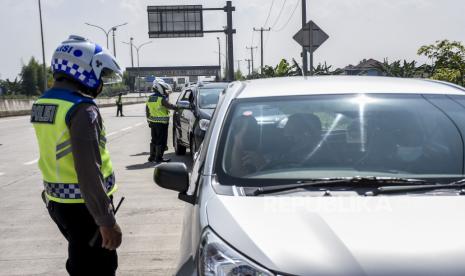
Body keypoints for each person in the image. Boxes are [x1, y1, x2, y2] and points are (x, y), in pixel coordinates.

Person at [31, 35, 122, 276]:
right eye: (100, 74)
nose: (101, 82)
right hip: (86, 207)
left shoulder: (44, 103)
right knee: (99, 268)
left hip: (59, 203)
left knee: (80, 262)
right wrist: (106, 220)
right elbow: (88, 170)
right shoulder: (81, 109)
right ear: (84, 70)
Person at [146, 79, 177, 162]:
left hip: (153, 122)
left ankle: (152, 157)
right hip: (162, 123)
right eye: (164, 89)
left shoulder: (150, 98)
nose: (165, 91)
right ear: (160, 88)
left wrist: (148, 121)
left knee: (154, 139)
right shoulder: (161, 98)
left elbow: (147, 111)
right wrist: (177, 107)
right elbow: (169, 106)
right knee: (161, 140)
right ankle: (159, 158)